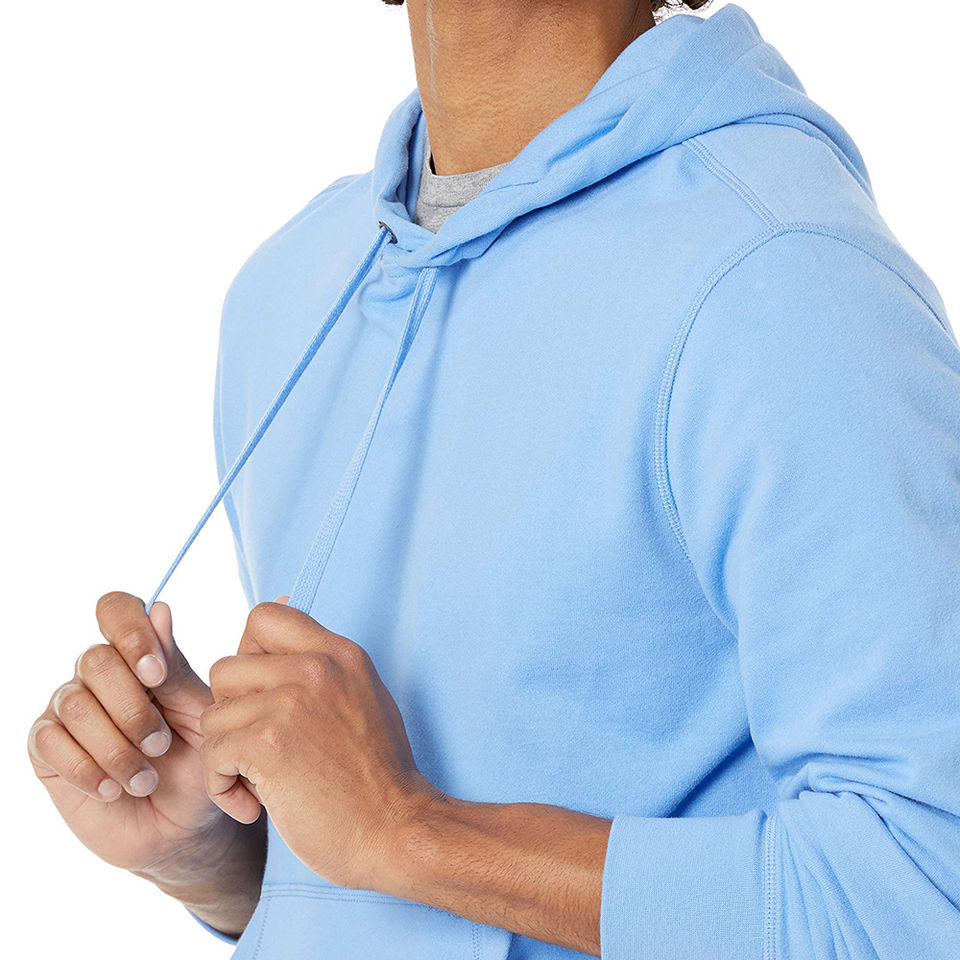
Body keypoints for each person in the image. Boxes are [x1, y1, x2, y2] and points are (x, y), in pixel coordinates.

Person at [27, 2, 960, 958]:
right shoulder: (291, 286)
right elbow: (378, 887)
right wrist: (218, 862)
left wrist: (412, 832)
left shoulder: (786, 286)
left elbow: (921, 898)